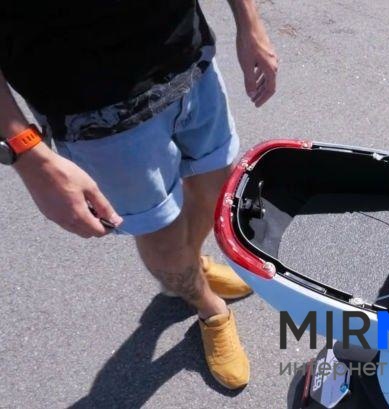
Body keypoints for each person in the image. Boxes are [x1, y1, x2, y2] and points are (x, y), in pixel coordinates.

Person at [0, 0, 278, 390]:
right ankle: (208, 307)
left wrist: (249, 22)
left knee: (217, 191)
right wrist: (30, 156)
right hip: (93, 110)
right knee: (162, 234)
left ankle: (191, 266)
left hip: (190, 58)